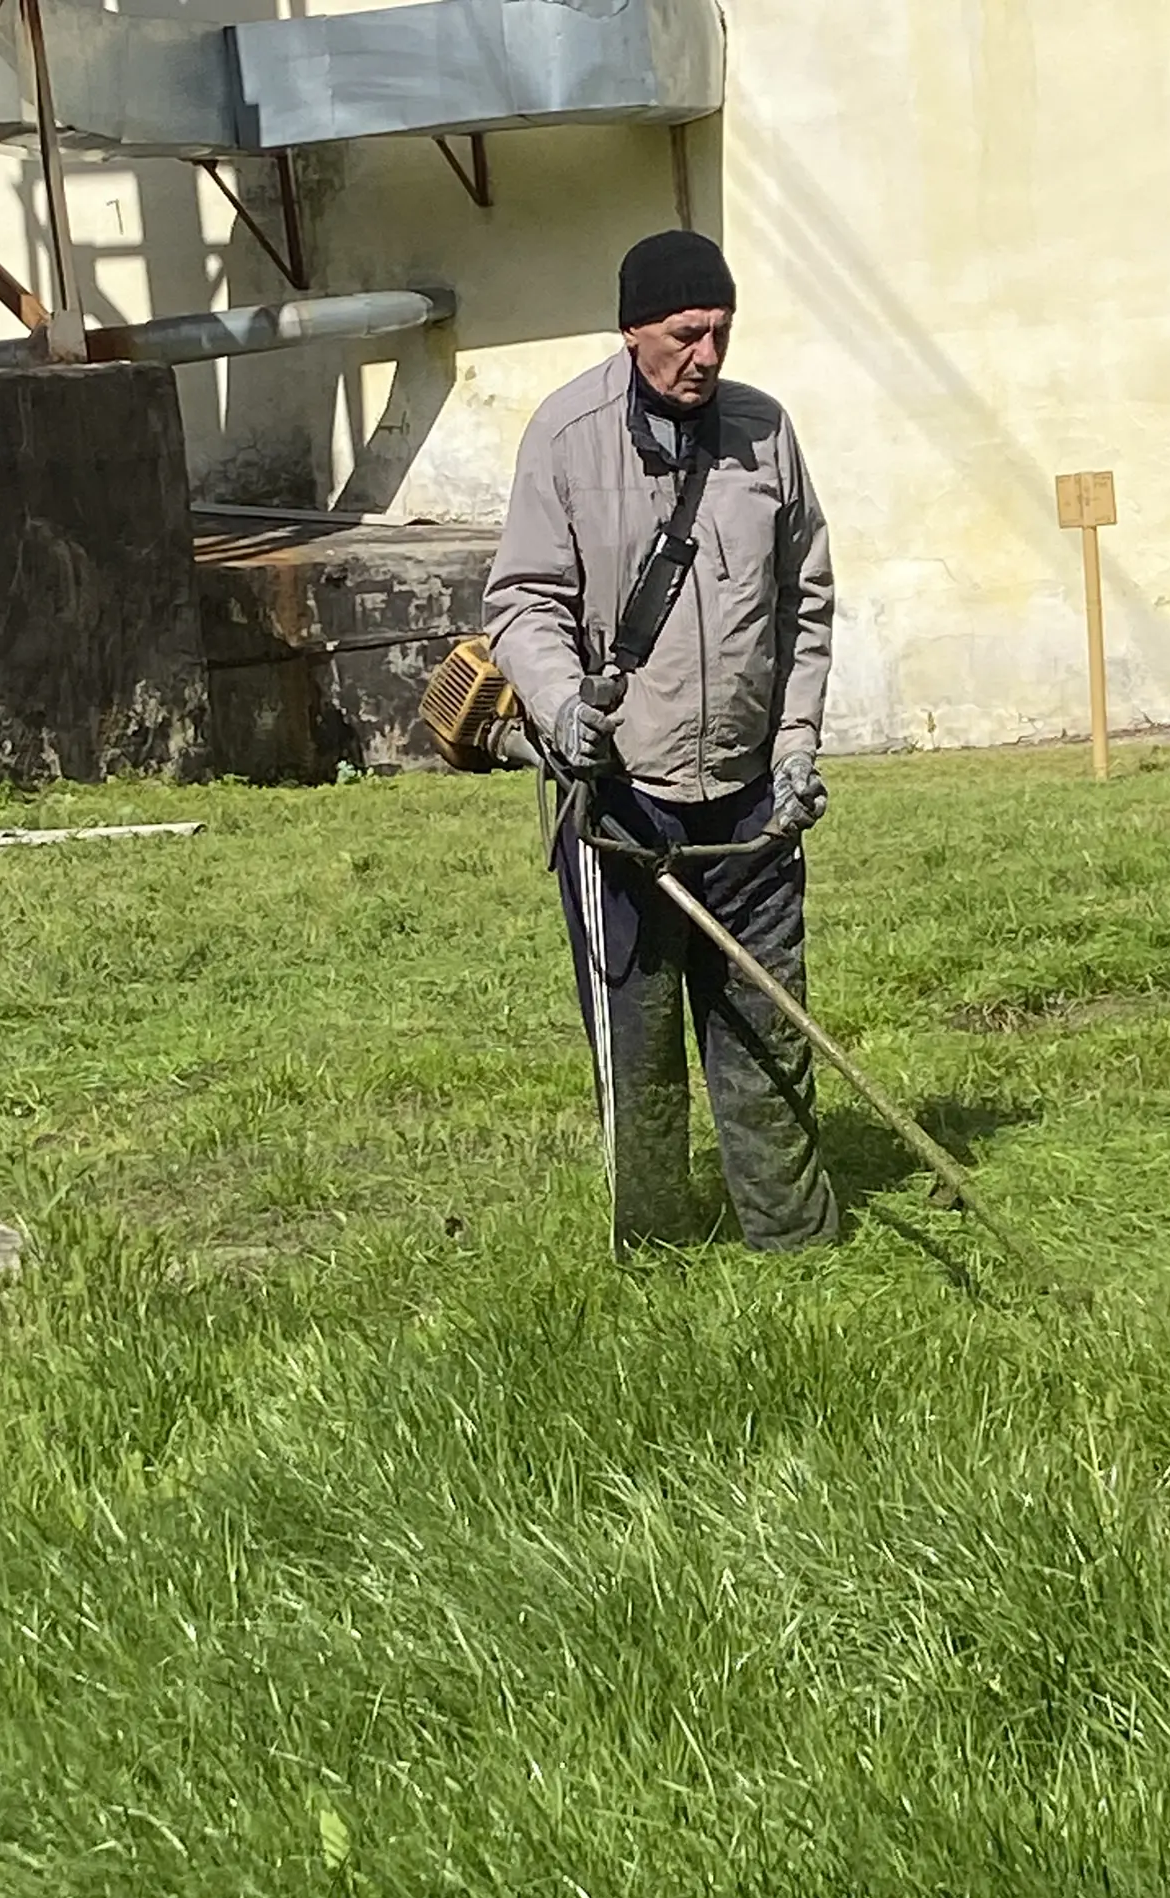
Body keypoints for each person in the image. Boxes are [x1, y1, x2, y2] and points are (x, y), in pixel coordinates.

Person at [484, 229, 838, 1257]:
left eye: (721, 331)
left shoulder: (766, 433)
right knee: (637, 1050)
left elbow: (804, 602)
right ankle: (656, 1253)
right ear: (632, 329)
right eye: (687, 333)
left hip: (749, 803)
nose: (708, 355)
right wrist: (563, 707)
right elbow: (523, 602)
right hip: (621, 805)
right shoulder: (566, 436)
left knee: (767, 1033)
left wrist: (796, 747)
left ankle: (795, 1245)